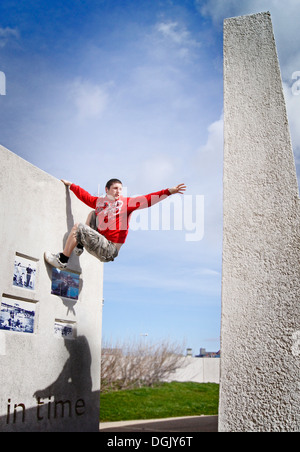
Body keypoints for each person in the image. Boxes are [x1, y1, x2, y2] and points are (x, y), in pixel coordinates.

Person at [44, 178, 186, 269]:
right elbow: (86, 197)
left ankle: (62, 260)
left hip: (109, 250)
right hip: (100, 242)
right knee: (93, 213)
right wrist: (72, 186)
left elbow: (148, 200)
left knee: (78, 227)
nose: (118, 191)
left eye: (120, 189)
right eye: (115, 188)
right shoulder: (101, 202)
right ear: (107, 190)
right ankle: (80, 244)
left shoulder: (126, 203)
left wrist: (168, 191)